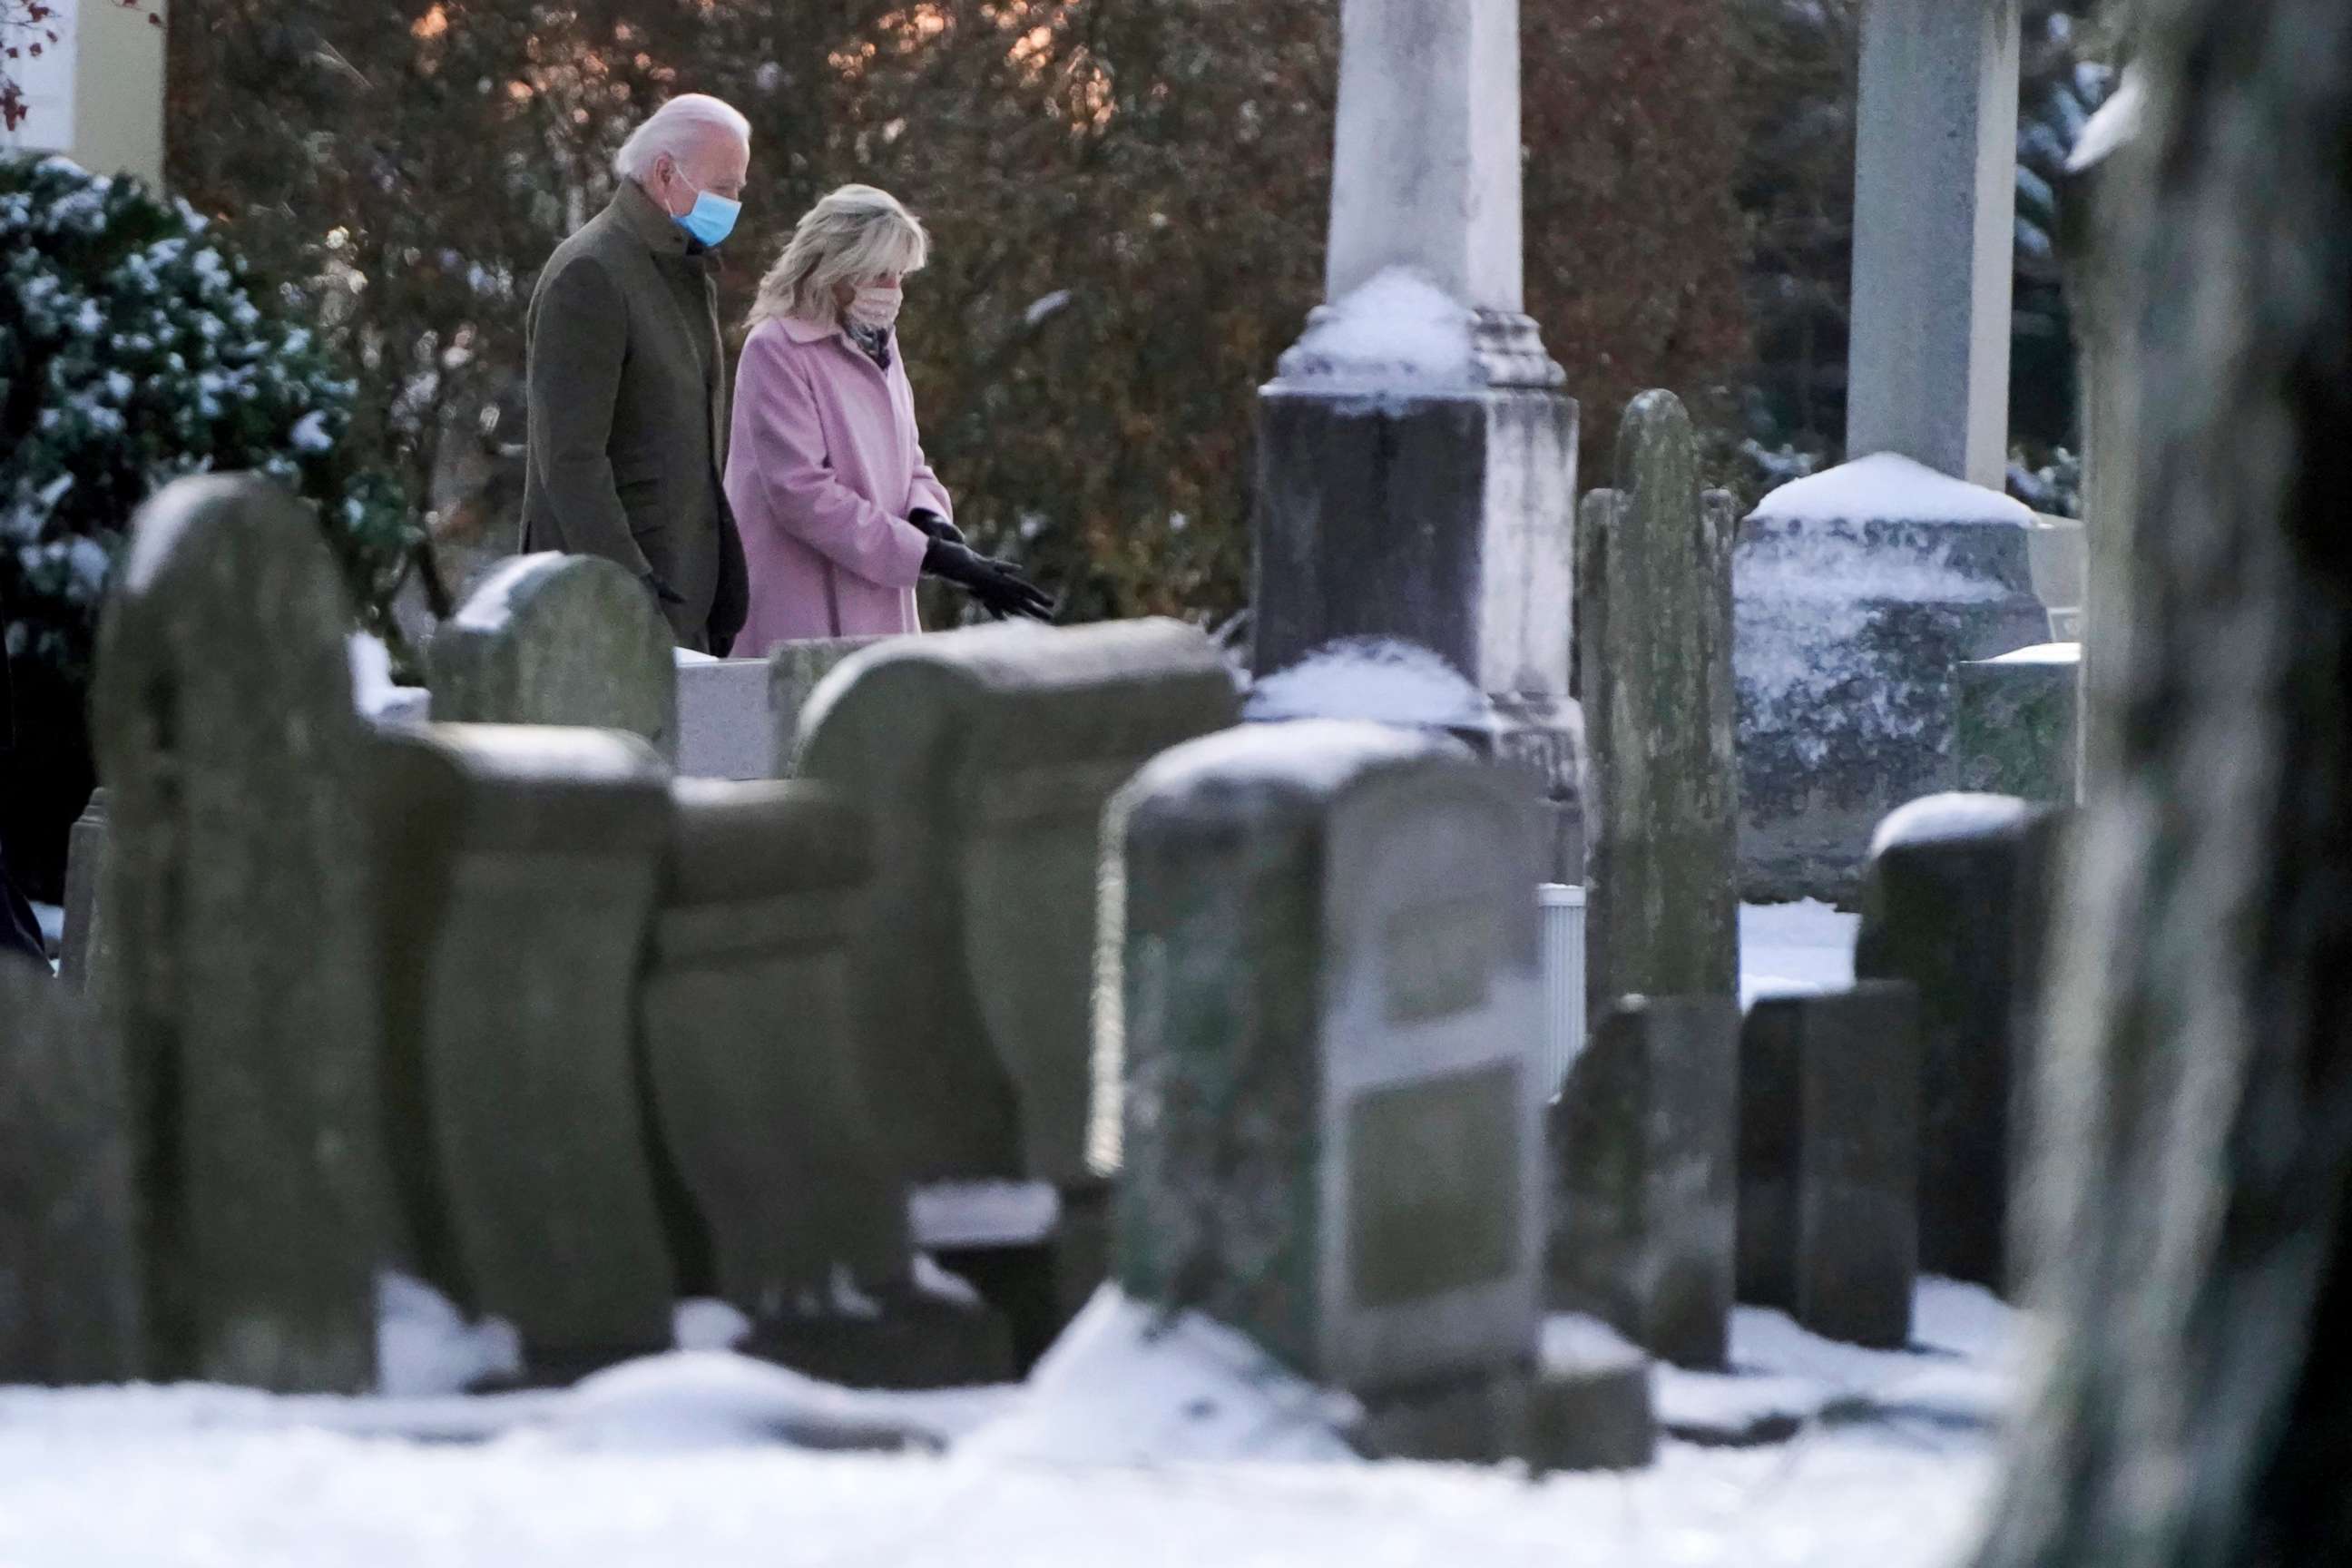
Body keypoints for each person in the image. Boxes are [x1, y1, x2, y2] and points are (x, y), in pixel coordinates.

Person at [725, 184, 1050, 652]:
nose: (893, 291)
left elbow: (908, 460)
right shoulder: (776, 350)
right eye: (880, 275)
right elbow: (801, 495)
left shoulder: (878, 346)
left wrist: (930, 518)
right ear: (834, 268)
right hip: (802, 602)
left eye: (899, 275)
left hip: (879, 600)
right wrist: (930, 556)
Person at [522, 93, 751, 654]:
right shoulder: (592, 272)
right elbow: (571, 458)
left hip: (678, 598)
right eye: (724, 188)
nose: (733, 205)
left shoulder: (677, 270)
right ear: (666, 172)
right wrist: (632, 588)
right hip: (611, 609)